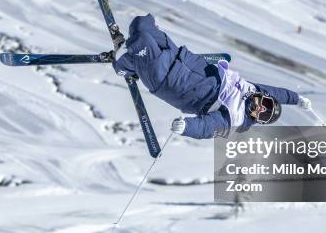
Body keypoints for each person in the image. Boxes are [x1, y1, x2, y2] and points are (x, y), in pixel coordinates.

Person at [112, 14, 312, 139]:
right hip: (180, 57)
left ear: (258, 119)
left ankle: (124, 63)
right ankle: (133, 62)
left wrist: (188, 127)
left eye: (264, 114)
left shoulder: (233, 118)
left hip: (169, 80)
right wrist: (297, 99)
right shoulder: (252, 91)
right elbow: (278, 94)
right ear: (263, 97)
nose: (261, 108)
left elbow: (208, 128)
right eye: (266, 104)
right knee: (142, 23)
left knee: (142, 41)